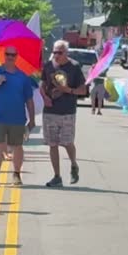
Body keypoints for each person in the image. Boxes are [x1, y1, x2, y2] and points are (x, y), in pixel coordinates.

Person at [0, 46, 35, 188]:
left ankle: (17, 174)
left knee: (17, 146)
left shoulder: (23, 77)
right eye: (7, 54)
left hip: (17, 118)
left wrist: (32, 119)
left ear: (16, 56)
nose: (10, 57)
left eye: (13, 54)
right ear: (3, 55)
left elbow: (29, 99)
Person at [41, 40, 86, 187]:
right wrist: (45, 97)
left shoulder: (74, 67)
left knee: (67, 142)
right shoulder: (48, 66)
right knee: (52, 144)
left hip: (67, 111)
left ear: (66, 53)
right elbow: (42, 85)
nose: (56, 55)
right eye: (54, 52)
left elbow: (83, 90)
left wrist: (69, 91)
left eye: (59, 53)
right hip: (50, 111)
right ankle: (57, 176)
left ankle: (73, 165)